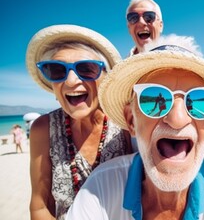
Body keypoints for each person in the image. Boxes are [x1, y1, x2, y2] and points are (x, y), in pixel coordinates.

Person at [66, 35, 204, 219]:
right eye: (152, 98)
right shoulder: (100, 187)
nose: (177, 119)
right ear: (131, 121)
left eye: (199, 102)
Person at [26, 24, 133, 220]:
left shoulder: (124, 123)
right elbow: (41, 205)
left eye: (86, 69)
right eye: (57, 70)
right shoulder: (43, 129)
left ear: (105, 77)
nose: (71, 81)